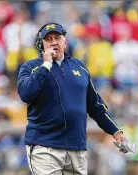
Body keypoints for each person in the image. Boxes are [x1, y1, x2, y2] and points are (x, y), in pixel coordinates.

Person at [17, 22, 127, 175]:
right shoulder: (31, 67)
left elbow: (96, 106)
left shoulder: (80, 67)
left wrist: (116, 132)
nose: (53, 42)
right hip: (45, 146)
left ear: (65, 41)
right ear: (40, 44)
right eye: (48, 39)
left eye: (57, 38)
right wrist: (46, 65)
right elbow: (25, 93)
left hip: (77, 148)